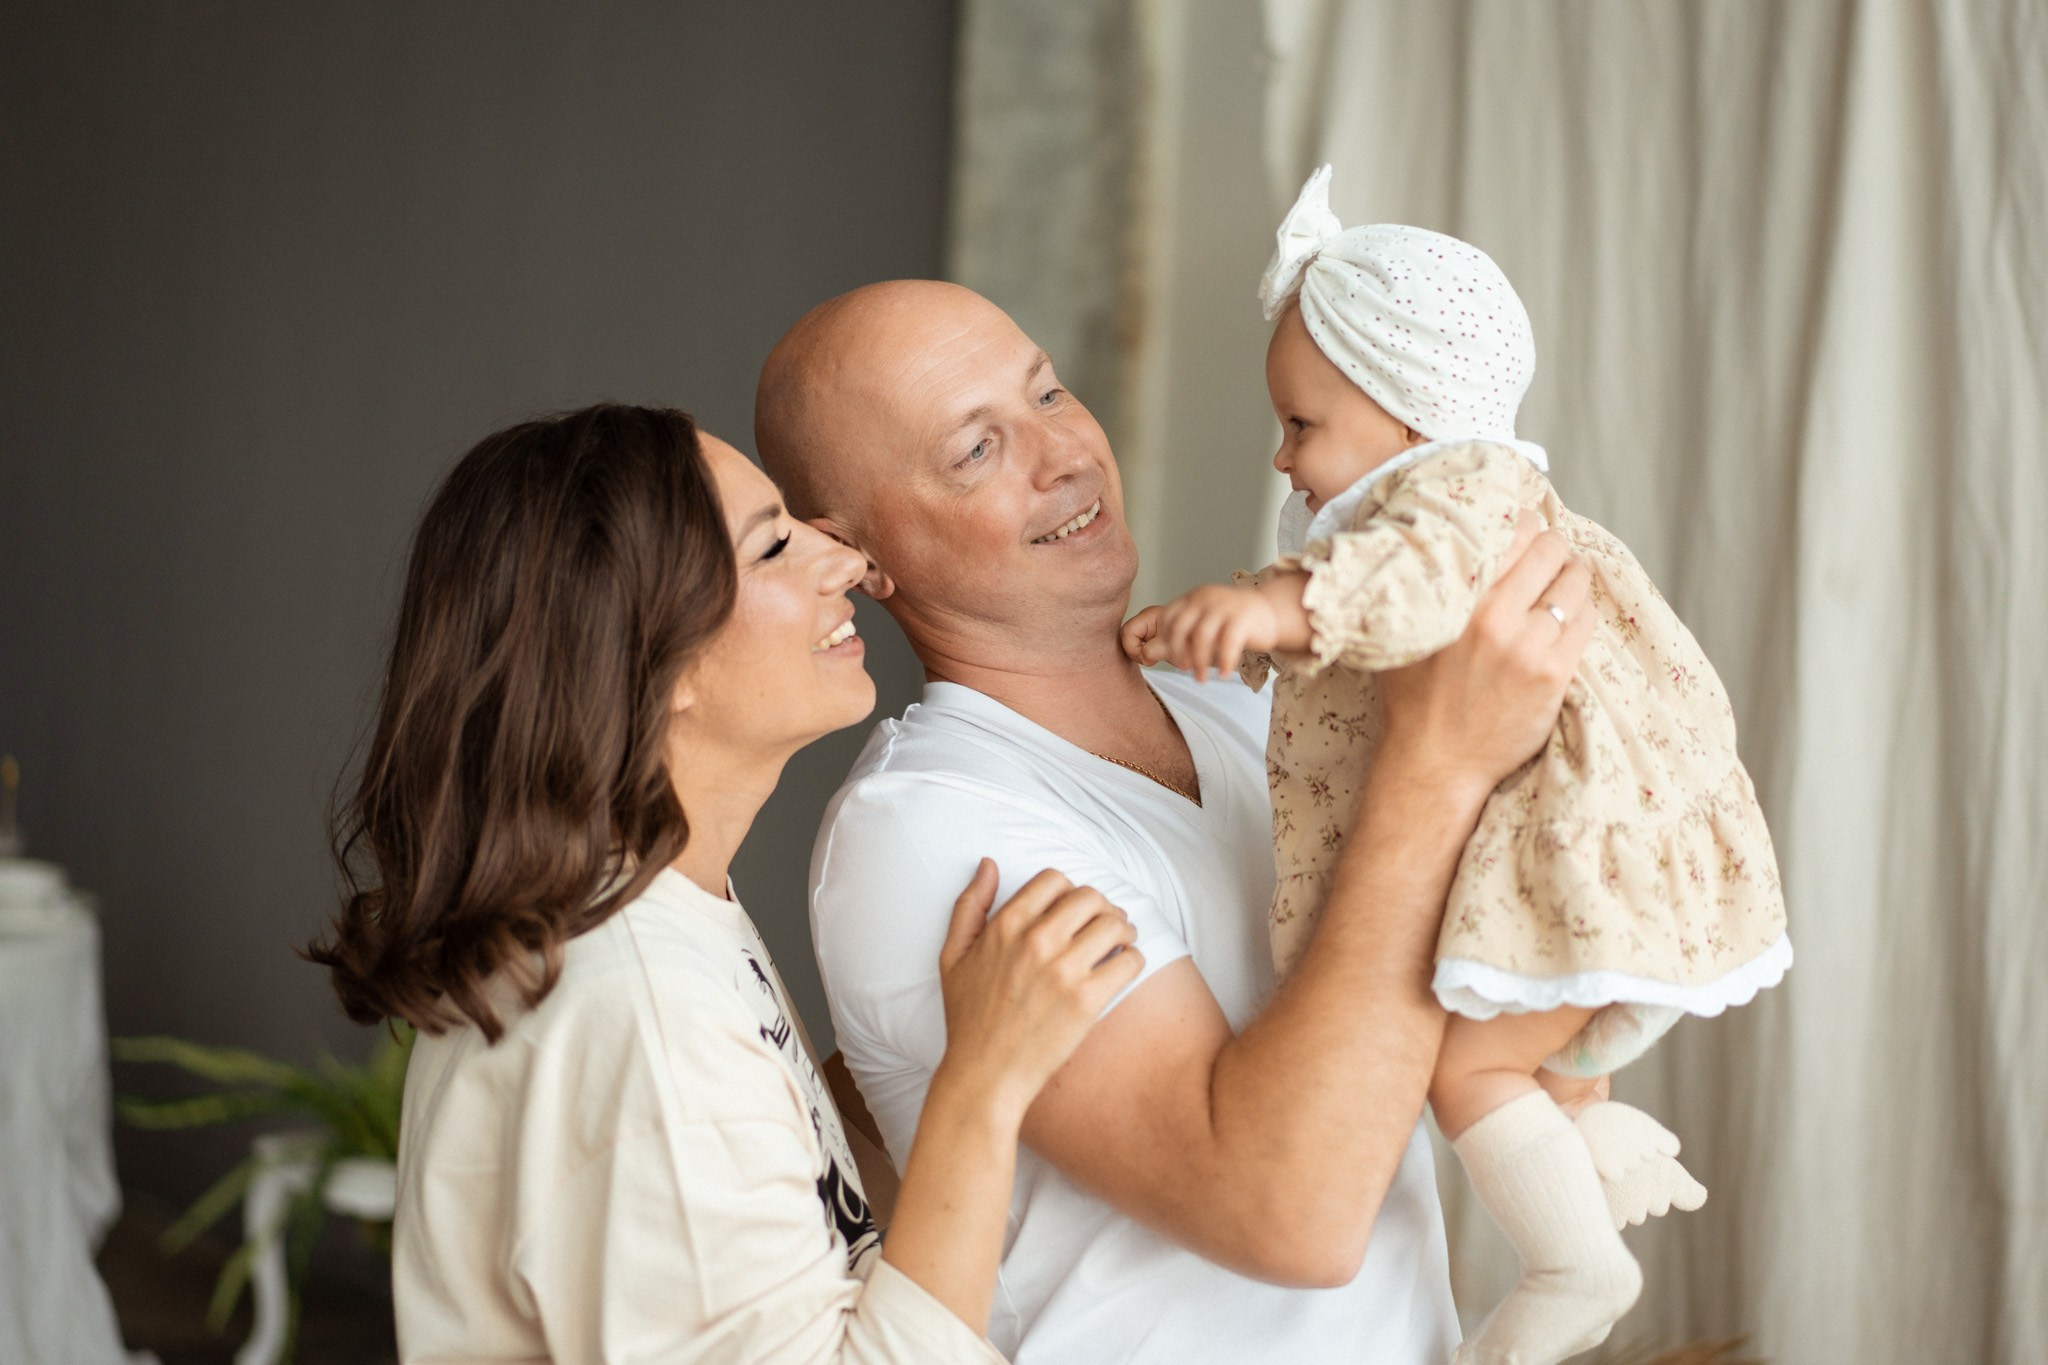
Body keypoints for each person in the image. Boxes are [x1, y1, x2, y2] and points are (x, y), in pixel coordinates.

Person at [754, 280, 1613, 1364]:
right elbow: (1285, 1211)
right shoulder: (926, 828)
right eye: (976, 450)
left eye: (1048, 394)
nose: (1061, 455)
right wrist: (1435, 764)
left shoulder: (1244, 697)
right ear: (856, 555)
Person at [305, 404, 1145, 1362]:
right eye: (776, 546)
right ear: (655, 662)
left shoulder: (654, 920)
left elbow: (779, 1245)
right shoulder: (640, 1012)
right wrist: (979, 1091)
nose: (850, 565)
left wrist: (897, 1075)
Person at [1126, 165, 1791, 1364]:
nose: (1281, 459)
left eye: (1300, 425)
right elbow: (1348, 584)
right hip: (1565, 825)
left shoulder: (1461, 494)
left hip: (1569, 825)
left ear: (1406, 410)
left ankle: (1571, 1269)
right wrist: (1230, 610)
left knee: (1463, 1060)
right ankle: (1580, 1119)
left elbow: (1410, 588)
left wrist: (1279, 618)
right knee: (1503, 1019)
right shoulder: (1420, 508)